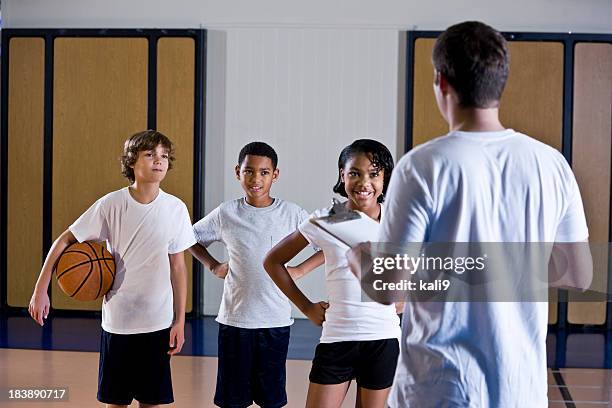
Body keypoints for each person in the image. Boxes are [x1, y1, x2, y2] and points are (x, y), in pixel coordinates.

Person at [361, 21, 592, 407]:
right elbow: (578, 273)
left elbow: (389, 287)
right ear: (499, 83)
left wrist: (364, 263)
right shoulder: (552, 165)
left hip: (439, 390)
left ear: (441, 81)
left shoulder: (422, 166)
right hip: (522, 391)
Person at [29, 130, 197, 407]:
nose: (159, 160)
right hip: (119, 322)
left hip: (157, 323)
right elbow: (65, 240)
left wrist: (179, 321)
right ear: (131, 162)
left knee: (152, 402)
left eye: (164, 156)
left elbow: (178, 267)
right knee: (115, 402)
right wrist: (40, 289)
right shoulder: (111, 204)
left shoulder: (175, 208)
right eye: (150, 154)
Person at [264, 139, 402, 408]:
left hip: (383, 340)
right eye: (355, 173)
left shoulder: (399, 221)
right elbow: (273, 262)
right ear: (342, 175)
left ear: (385, 177)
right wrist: (306, 307)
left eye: (374, 174)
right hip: (338, 337)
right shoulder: (328, 218)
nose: (364, 182)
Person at [190, 141, 322, 408]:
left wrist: (300, 269)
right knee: (232, 400)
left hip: (275, 322)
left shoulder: (292, 213)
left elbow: (327, 245)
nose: (256, 179)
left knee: (271, 400)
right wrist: (213, 265)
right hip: (235, 321)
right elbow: (188, 238)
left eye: (264, 172)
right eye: (249, 171)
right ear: (238, 171)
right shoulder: (226, 213)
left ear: (275, 175)